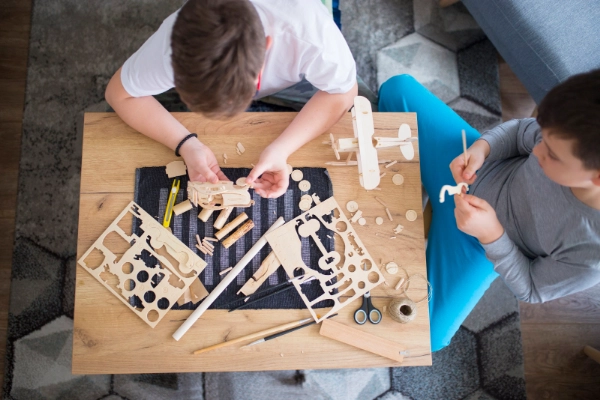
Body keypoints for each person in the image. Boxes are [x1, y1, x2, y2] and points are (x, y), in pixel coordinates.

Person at [378, 70, 600, 351]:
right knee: (397, 89)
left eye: (552, 154)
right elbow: (521, 132)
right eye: (542, 136)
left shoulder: (591, 255)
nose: (537, 150)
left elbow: (531, 288)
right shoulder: (564, 134)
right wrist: (482, 148)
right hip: (476, 170)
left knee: (425, 335)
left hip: (476, 246)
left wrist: (491, 235)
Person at [105, 0, 357, 198]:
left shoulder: (315, 41)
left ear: (266, 46)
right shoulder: (173, 44)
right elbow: (118, 94)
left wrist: (283, 148)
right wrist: (186, 144)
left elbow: (344, 92)